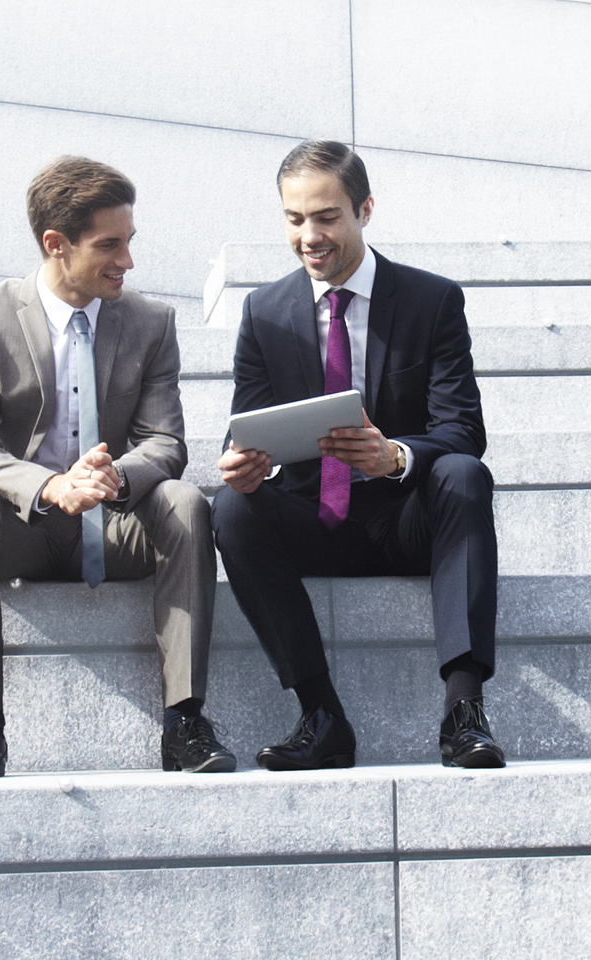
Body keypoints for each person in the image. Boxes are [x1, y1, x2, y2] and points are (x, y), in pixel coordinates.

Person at [0, 156, 227, 779]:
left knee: (187, 502)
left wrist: (112, 479)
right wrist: (54, 486)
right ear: (55, 244)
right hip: (22, 528)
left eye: (129, 242)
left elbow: (165, 442)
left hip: (116, 525)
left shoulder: (151, 322)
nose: (128, 261)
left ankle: (184, 722)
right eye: (109, 245)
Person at [212, 140, 506, 771]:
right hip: (312, 517)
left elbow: (462, 429)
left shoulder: (432, 302)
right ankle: (320, 716)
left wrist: (394, 455)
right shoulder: (263, 312)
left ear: (365, 209)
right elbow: (248, 426)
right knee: (230, 509)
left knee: (463, 473)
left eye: (326, 217)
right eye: (295, 220)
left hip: (405, 519)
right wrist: (244, 464)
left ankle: (463, 710)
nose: (309, 236)